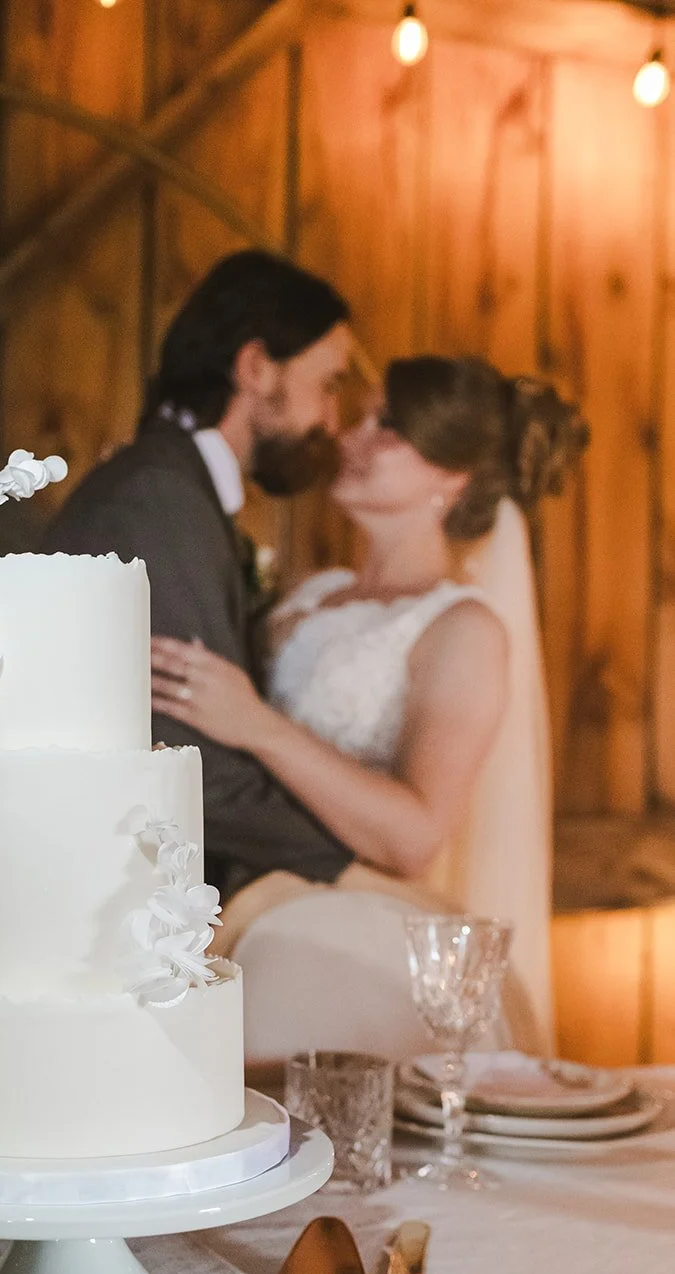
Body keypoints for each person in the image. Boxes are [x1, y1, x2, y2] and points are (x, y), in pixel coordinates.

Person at [151, 356, 587, 1055]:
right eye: (361, 418)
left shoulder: (461, 629)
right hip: (228, 903)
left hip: (337, 943)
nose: (350, 438)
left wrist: (259, 728)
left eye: (386, 427)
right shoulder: (311, 594)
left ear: (450, 475)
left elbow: (414, 836)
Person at [45, 249, 356, 899]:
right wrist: (350, 862)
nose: (331, 420)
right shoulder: (157, 497)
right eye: (328, 385)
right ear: (254, 369)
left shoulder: (173, 487)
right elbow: (189, 765)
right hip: (87, 913)